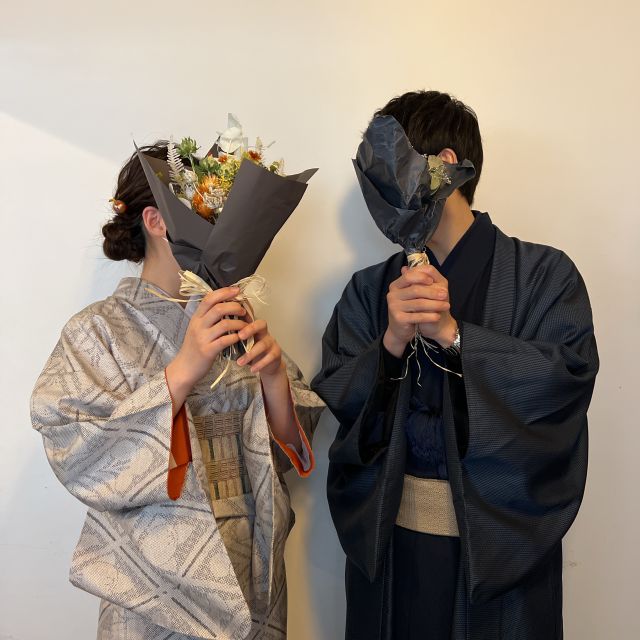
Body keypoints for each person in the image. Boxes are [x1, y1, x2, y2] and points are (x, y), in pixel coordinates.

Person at [311, 91, 599, 640]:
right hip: (392, 545)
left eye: (388, 168)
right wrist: (391, 342)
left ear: (444, 164)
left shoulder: (545, 275)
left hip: (500, 549)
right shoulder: (370, 290)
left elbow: (565, 381)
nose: (378, 190)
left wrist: (455, 334)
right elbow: (341, 401)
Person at [30, 143, 324, 640]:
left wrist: (275, 378)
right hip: (153, 580)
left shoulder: (233, 319)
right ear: (156, 220)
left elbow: (287, 452)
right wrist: (181, 372)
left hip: (249, 562)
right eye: (205, 211)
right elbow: (75, 452)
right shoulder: (96, 330)